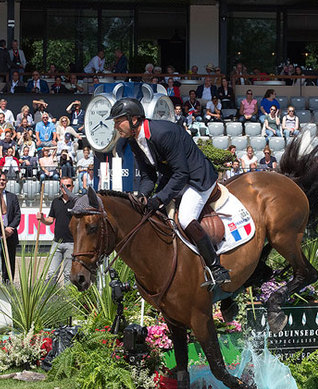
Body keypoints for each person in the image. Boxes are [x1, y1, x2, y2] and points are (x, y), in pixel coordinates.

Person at [107, 97, 230, 288]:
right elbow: (148, 176)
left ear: (134, 119)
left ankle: (216, 268)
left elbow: (182, 173)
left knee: (186, 218)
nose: (116, 126)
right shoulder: (133, 141)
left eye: (118, 121)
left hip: (197, 179)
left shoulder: (162, 133)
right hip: (174, 177)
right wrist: (143, 195)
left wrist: (159, 199)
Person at [38, 177, 77, 284]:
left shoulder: (77, 203)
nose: (65, 188)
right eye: (63, 186)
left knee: (68, 274)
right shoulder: (56, 201)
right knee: (51, 273)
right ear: (60, 187)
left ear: (72, 187)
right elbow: (50, 220)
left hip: (72, 243)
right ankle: (49, 297)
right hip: (57, 243)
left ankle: (67, 298)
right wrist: (42, 219)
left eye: (68, 185)